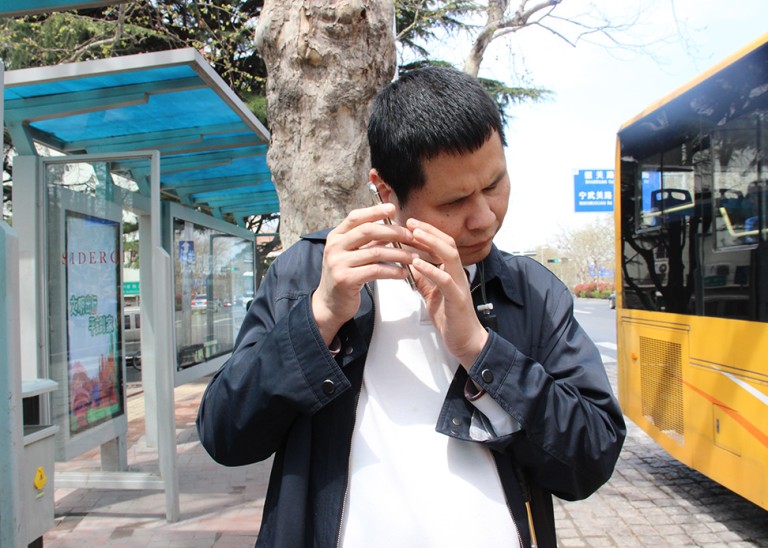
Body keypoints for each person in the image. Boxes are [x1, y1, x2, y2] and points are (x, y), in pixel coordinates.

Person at [197, 66, 626, 548]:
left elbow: (591, 459)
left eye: (494, 185)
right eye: (455, 201)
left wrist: (479, 350)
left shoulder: (531, 292)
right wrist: (320, 317)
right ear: (384, 191)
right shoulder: (307, 275)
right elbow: (225, 436)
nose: (484, 218)